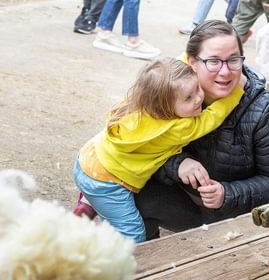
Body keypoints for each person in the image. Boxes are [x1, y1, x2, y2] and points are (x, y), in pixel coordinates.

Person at [135, 20, 269, 239]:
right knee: (129, 194)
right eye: (213, 61)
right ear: (192, 62)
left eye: (233, 60)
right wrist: (177, 164)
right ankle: (147, 263)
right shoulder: (170, 92)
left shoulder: (263, 111)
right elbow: (140, 146)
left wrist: (227, 194)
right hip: (183, 201)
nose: (225, 71)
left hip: (233, 214)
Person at [72, 57, 243, 242]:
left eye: (197, 89)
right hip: (107, 183)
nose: (199, 98)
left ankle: (90, 203)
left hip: (88, 158)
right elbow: (212, 118)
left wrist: (187, 57)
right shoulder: (175, 129)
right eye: (188, 98)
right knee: (132, 234)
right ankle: (121, 266)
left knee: (113, 214)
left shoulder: (141, 106)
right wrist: (237, 90)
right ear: (164, 107)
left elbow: (167, 73)